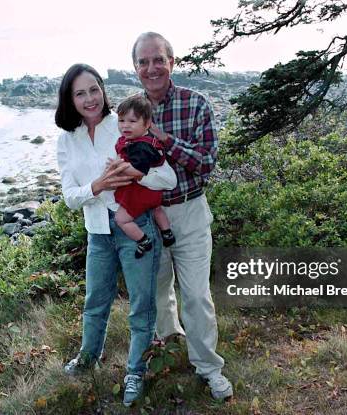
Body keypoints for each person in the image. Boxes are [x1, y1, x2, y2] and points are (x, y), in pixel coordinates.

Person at [54, 63, 177, 406]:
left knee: (141, 305)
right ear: (70, 99)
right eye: (81, 93)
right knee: (95, 302)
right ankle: (88, 358)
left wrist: (132, 176)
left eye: (94, 89)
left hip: (135, 226)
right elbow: (69, 196)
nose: (90, 98)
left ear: (103, 91)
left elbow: (167, 179)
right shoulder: (67, 140)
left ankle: (135, 371)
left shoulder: (123, 124)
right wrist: (99, 185)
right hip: (97, 232)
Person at [131, 32, 234, 401]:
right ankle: (171, 345)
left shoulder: (196, 104)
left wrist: (163, 141)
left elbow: (206, 165)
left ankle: (209, 367)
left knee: (196, 295)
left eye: (158, 59)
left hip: (189, 212)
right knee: (158, 294)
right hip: (147, 217)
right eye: (143, 62)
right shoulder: (129, 111)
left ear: (171, 63)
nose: (151, 68)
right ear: (136, 68)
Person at [114, 95, 176, 259]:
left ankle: (143, 240)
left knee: (121, 219)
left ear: (147, 124)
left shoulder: (141, 146)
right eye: (121, 120)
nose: (125, 126)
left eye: (132, 121)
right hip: (154, 193)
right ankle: (167, 232)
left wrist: (118, 168)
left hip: (144, 191)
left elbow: (139, 172)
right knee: (157, 208)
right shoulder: (147, 140)